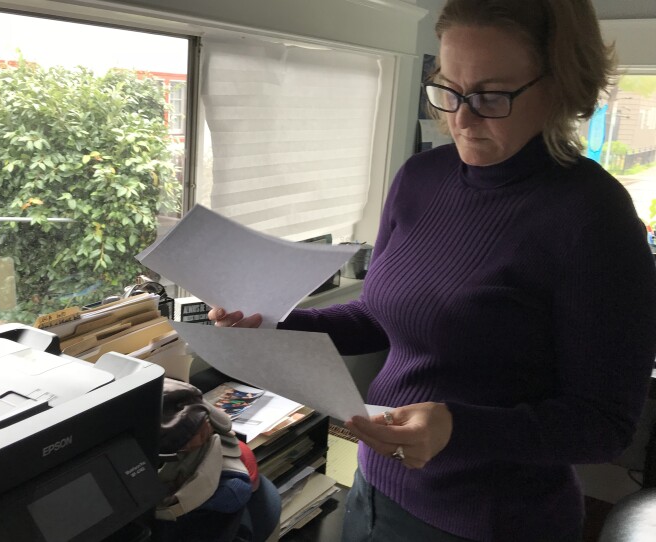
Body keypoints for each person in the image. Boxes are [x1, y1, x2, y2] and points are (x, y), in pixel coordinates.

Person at [209, 0, 656, 540]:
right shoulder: (420, 177)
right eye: (448, 88)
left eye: (491, 96)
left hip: (491, 520)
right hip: (376, 486)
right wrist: (277, 323)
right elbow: (379, 315)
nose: (461, 120)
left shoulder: (592, 218)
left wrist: (458, 428)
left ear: (561, 84)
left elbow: (604, 425)